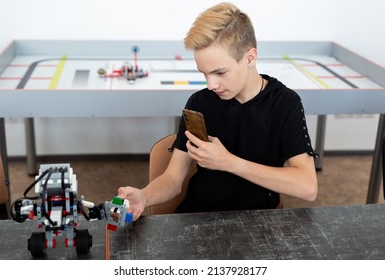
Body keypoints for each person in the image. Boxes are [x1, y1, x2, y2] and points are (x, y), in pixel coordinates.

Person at [117, 2, 318, 220]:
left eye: (220, 73)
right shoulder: (199, 102)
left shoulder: (285, 103)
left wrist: (229, 162)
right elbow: (173, 180)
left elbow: (307, 187)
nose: (211, 84)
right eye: (204, 74)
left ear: (250, 58)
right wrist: (144, 196)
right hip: (198, 217)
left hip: (256, 222)